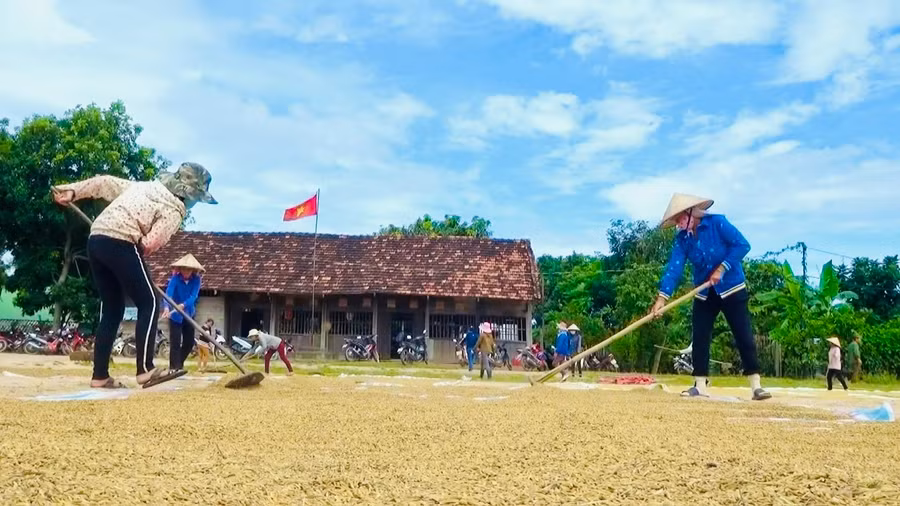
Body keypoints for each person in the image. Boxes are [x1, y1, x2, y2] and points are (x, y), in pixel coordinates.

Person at [52, 162, 217, 389]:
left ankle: (100, 376)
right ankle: (146, 370)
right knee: (149, 301)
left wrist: (73, 191)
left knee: (113, 309)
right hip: (121, 241)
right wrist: (139, 248)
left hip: (96, 239)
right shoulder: (175, 208)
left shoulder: (144, 187)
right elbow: (150, 243)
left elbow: (105, 183)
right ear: (187, 194)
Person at [650, 193, 771, 401]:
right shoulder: (682, 240)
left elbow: (742, 245)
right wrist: (662, 299)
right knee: (700, 336)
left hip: (731, 287)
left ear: (691, 212)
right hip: (704, 291)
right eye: (675, 220)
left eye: (680, 218)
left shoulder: (718, 223)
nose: (678, 224)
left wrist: (723, 268)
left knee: (743, 335)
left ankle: (756, 385)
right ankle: (699, 385)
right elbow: (674, 268)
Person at [160, 254, 203, 372]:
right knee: (175, 342)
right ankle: (173, 367)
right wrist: (167, 308)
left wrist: (183, 305)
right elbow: (168, 294)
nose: (186, 271)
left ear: (193, 270)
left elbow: (193, 296)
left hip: (189, 314)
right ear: (180, 269)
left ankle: (179, 363)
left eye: (188, 269)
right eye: (184, 268)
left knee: (189, 342)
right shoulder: (175, 279)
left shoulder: (196, 280)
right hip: (175, 316)